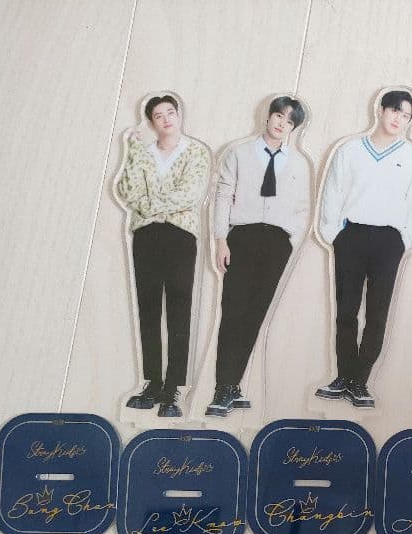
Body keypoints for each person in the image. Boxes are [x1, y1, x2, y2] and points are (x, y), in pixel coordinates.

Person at [315, 90, 412, 408]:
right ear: (381, 110)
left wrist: (406, 239)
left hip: (388, 241)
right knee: (346, 310)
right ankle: (343, 376)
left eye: (405, 115)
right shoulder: (351, 150)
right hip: (351, 235)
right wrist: (334, 232)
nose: (398, 119)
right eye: (394, 111)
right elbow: (333, 191)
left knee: (377, 312)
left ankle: (360, 381)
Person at [206, 96, 310, 417]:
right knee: (233, 311)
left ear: (293, 128)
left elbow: (302, 206)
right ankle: (222, 388)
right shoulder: (239, 153)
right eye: (279, 116)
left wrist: (289, 239)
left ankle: (233, 385)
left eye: (289, 121)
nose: (282, 124)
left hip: (277, 242)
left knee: (255, 314)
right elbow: (223, 195)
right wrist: (221, 240)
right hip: (243, 236)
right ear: (268, 116)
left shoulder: (298, 163)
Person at [115, 94, 211, 418]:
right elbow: (128, 191)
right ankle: (153, 383)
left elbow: (190, 195)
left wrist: (148, 204)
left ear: (179, 115)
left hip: (181, 236)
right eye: (159, 115)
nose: (167, 119)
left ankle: (173, 389)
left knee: (179, 311)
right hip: (146, 236)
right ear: (151, 122)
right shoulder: (143, 153)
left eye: (171, 112)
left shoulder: (195, 152)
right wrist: (133, 150)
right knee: (149, 309)